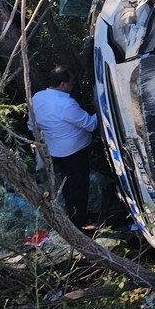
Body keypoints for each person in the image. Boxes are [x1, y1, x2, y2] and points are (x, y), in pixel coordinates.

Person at [30, 65, 98, 228]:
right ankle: (80, 222)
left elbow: (32, 125)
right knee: (79, 186)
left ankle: (74, 215)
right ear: (62, 84)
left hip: (55, 151)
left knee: (69, 184)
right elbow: (90, 125)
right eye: (71, 82)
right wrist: (103, 108)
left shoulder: (37, 97)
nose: (73, 85)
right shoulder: (66, 104)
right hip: (74, 152)